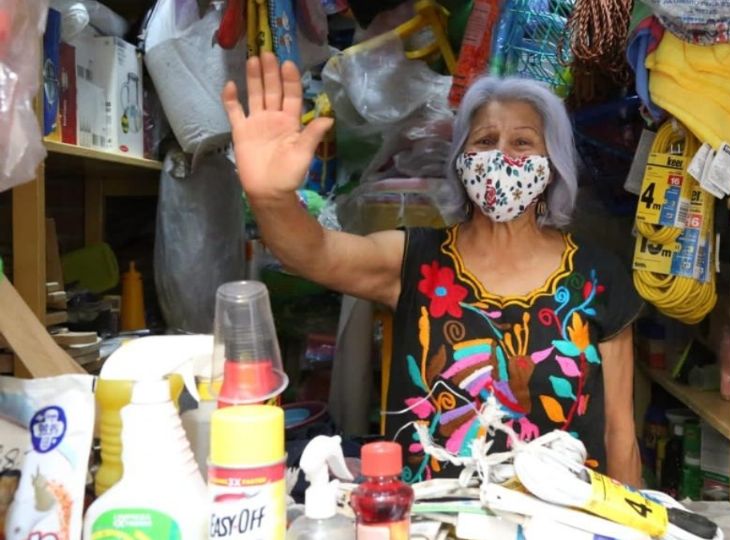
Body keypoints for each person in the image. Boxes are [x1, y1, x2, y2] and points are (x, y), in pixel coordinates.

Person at [222, 53, 644, 486]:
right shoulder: (416, 260)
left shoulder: (596, 278)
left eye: (522, 143)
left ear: (552, 164)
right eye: (484, 141)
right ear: (461, 162)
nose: (500, 157)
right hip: (430, 523)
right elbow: (313, 253)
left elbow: (620, 434)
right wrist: (272, 199)